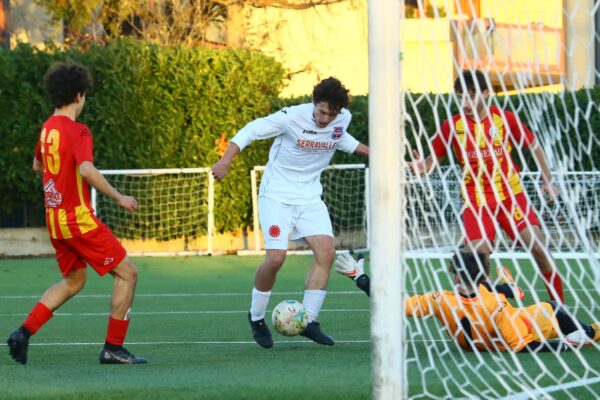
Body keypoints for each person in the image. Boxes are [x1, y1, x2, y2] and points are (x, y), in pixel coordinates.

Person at [6, 61, 146, 365]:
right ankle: (113, 347)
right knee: (128, 273)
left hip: (54, 221)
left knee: (74, 281)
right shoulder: (78, 131)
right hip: (77, 219)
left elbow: (37, 166)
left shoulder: (47, 129)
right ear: (79, 95)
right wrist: (120, 197)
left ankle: (23, 332)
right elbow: (86, 168)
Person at [212, 77, 369, 348]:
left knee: (326, 253)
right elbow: (250, 130)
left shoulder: (341, 119)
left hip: (309, 197)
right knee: (276, 259)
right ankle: (257, 316)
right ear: (313, 102)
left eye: (330, 115)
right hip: (277, 196)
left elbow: (343, 140)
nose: (324, 119)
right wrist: (225, 161)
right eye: (320, 112)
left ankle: (308, 321)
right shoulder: (290, 117)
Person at [408, 69, 564, 303]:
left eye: (471, 95)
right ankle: (495, 312)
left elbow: (533, 145)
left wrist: (548, 180)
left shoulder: (504, 119)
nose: (465, 102)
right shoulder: (452, 126)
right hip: (476, 202)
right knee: (477, 263)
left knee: (540, 249)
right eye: (460, 96)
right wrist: (421, 166)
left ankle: (560, 311)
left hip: (511, 196)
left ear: (485, 93)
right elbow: (431, 161)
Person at [334, 251, 600, 352]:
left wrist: (361, 278)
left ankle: (511, 288)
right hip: (518, 327)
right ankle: (590, 332)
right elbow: (523, 345)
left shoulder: (439, 299)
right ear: (480, 276)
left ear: (453, 275)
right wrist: (562, 346)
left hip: (472, 343)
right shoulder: (495, 303)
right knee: (551, 308)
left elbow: (395, 304)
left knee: (513, 296)